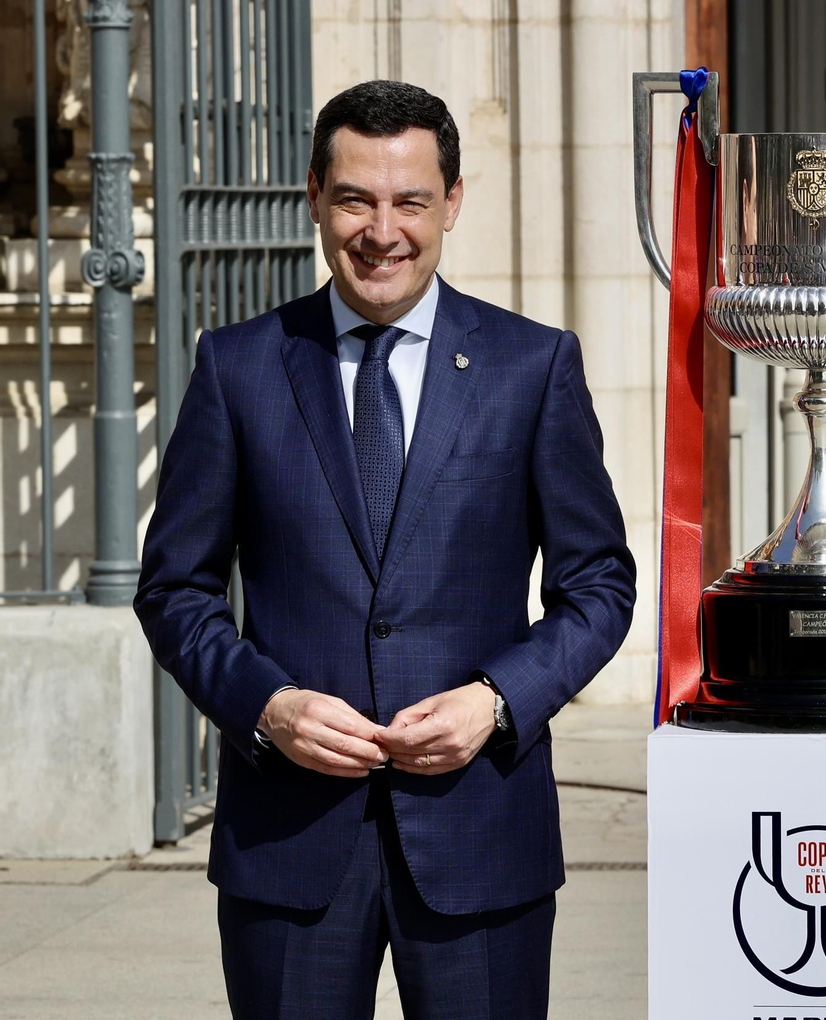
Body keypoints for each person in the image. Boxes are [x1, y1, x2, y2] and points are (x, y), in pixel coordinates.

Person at [135, 79, 636, 1019]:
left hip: (481, 836)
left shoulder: (533, 367)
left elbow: (599, 584)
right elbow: (174, 589)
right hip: (289, 845)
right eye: (356, 198)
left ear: (451, 201)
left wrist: (497, 701)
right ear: (314, 196)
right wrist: (268, 705)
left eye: (410, 200)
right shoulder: (237, 367)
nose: (382, 230)